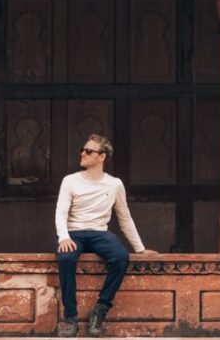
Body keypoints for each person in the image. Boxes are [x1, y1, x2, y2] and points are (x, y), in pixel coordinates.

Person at [55, 134, 157, 337]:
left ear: (101, 157)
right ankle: (70, 318)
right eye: (82, 150)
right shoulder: (70, 181)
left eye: (88, 151)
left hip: (100, 233)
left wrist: (140, 249)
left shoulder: (114, 184)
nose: (82, 153)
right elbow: (61, 212)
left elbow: (124, 218)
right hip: (74, 232)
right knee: (66, 258)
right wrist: (63, 237)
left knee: (120, 257)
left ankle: (100, 310)